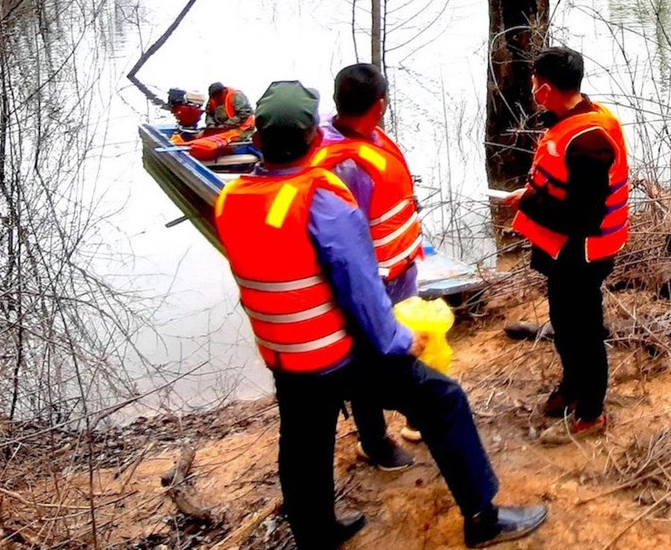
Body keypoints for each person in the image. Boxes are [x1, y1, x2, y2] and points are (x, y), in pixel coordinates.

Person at [215, 80, 547, 550]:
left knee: (302, 444)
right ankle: (483, 520)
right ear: (313, 137)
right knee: (442, 400)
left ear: (259, 140)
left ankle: (318, 533)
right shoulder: (321, 200)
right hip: (338, 353)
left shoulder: (231, 200)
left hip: (285, 355)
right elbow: (361, 287)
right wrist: (396, 339)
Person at [502, 47, 630, 443]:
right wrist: (531, 195)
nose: (531, 90)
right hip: (562, 250)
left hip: (583, 253)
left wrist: (528, 202)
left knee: (584, 330)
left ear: (546, 87)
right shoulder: (570, 119)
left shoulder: (590, 142)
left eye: (534, 83)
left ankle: (591, 411)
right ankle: (571, 388)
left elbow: (583, 217)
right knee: (564, 322)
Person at [310, 63, 425, 468]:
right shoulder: (347, 166)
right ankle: (375, 441)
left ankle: (416, 415)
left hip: (399, 269)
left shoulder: (359, 134)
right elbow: (346, 244)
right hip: (374, 281)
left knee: (410, 347)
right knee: (368, 361)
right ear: (380, 105)